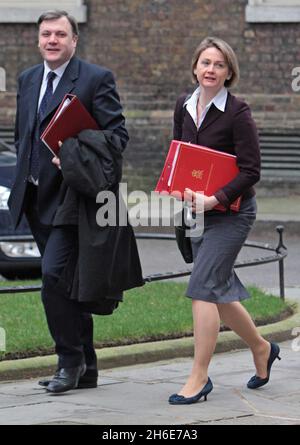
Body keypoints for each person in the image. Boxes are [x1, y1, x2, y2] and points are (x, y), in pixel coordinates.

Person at [8, 10, 143, 394]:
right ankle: (87, 368)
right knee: (68, 283)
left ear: (74, 40)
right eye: (46, 34)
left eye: (60, 34)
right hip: (35, 198)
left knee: (52, 277)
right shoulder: (28, 78)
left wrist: (71, 154)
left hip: (74, 201)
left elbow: (116, 139)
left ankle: (69, 361)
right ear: (38, 40)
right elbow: (24, 135)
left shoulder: (95, 79)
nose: (52, 40)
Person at [168, 37, 281, 405]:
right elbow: (179, 155)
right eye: (205, 62)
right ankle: (262, 348)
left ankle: (199, 377)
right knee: (218, 292)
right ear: (195, 67)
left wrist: (215, 197)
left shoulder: (238, 112)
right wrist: (176, 187)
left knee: (202, 287)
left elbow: (251, 171)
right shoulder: (183, 107)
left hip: (231, 214)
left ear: (229, 72)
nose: (210, 70)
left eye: (218, 64)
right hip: (197, 214)